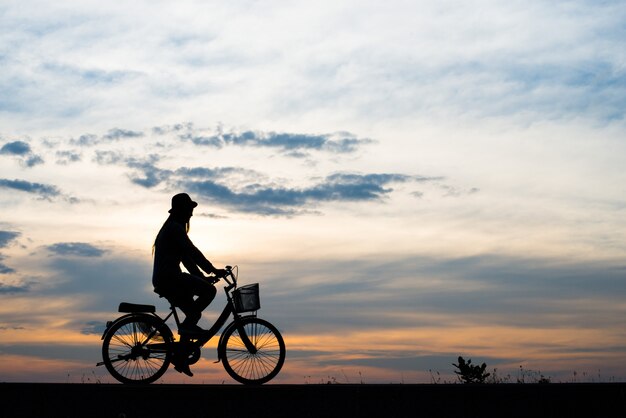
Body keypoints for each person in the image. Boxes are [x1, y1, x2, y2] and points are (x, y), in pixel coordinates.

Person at [152, 193, 226, 376]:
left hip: (168, 279)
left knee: (193, 313)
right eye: (190, 210)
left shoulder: (172, 229)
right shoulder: (175, 229)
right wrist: (213, 270)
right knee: (209, 291)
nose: (191, 214)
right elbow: (192, 252)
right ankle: (186, 337)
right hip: (170, 279)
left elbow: (186, 259)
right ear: (182, 210)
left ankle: (181, 356)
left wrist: (201, 276)